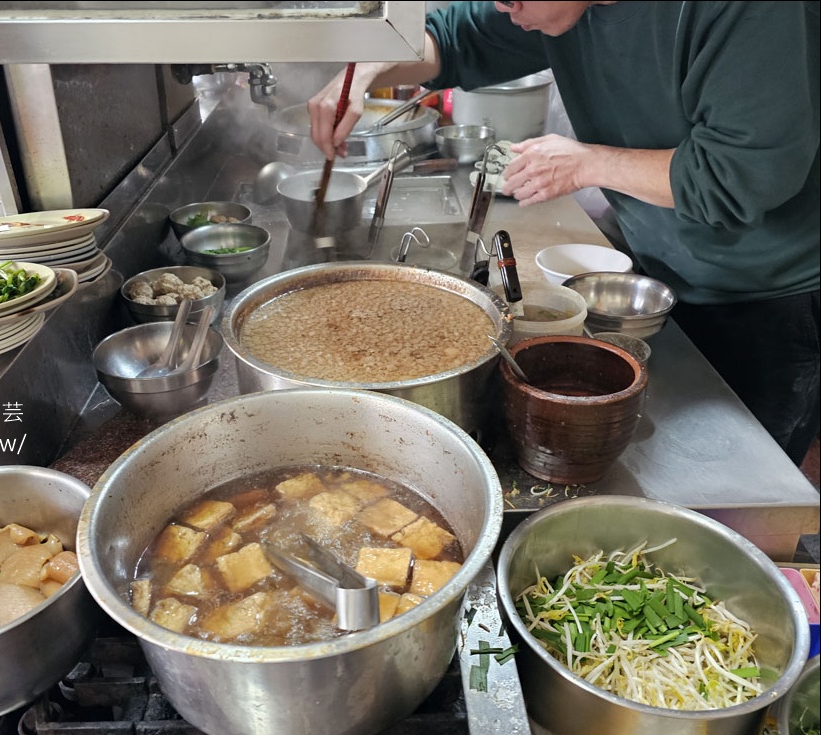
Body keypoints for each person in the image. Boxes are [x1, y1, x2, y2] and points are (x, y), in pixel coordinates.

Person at [307, 0, 820, 466]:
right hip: (667, 272)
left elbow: (739, 179)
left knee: (742, 486)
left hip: (772, 296)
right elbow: (458, 39)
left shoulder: (748, 11)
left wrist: (587, 164)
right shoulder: (554, 7)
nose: (503, 6)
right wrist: (372, 65)